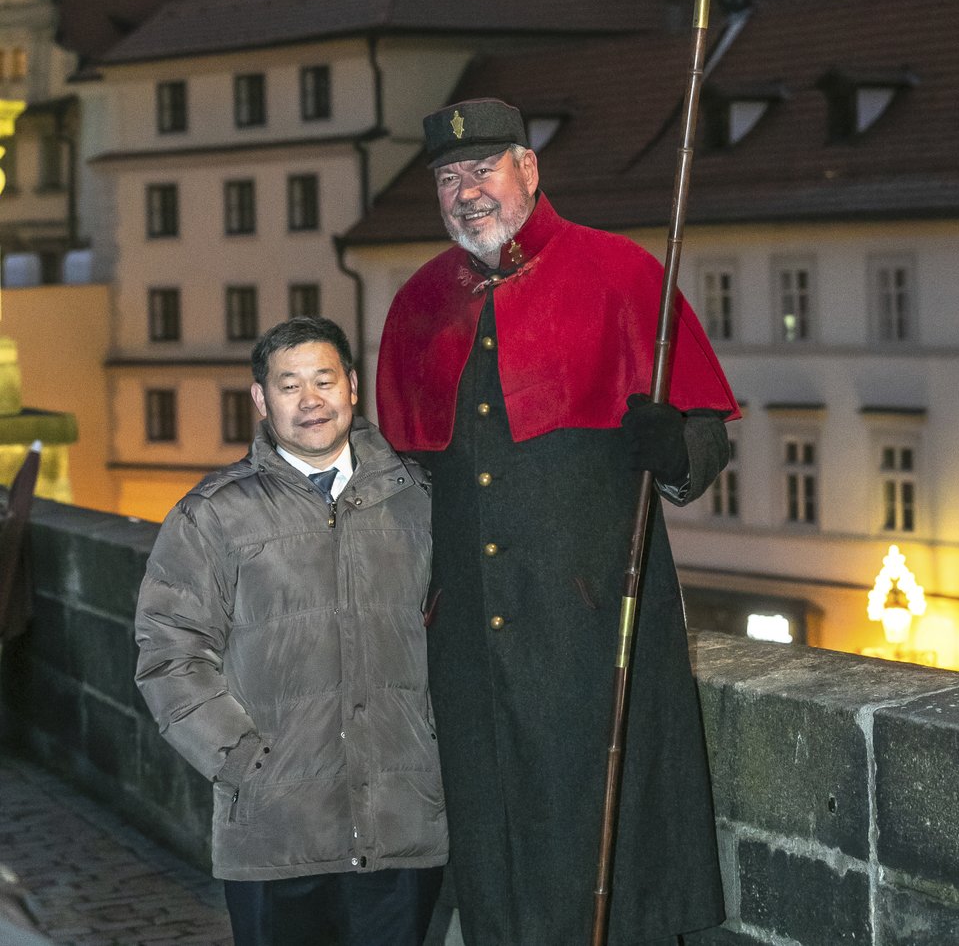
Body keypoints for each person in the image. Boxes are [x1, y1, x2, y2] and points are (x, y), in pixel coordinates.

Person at [376, 99, 739, 946]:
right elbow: (399, 477)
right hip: (468, 641)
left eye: (483, 168)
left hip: (594, 629)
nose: (467, 192)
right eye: (448, 177)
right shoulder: (419, 303)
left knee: (610, 848)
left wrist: (674, 445)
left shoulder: (621, 272)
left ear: (529, 170)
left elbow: (707, 445)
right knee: (490, 848)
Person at [135, 315, 446, 946]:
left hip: (400, 825)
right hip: (276, 832)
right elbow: (169, 652)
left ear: (352, 388)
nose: (311, 401)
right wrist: (244, 764)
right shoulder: (214, 514)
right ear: (260, 399)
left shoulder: (417, 498)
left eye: (324, 381)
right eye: (289, 385)